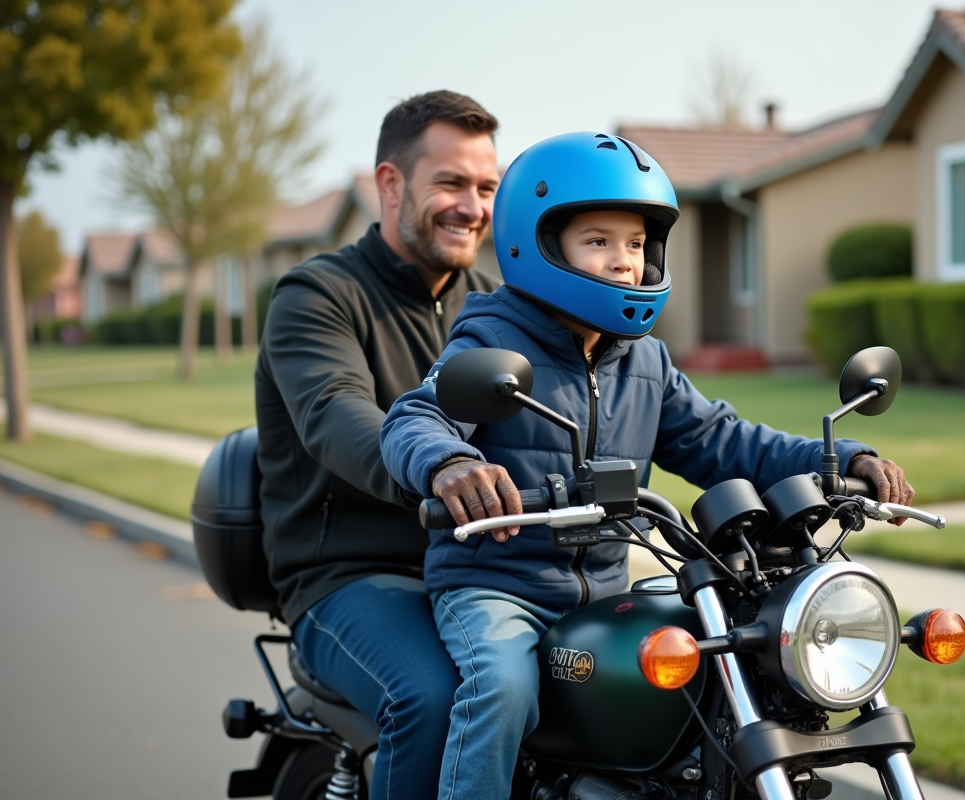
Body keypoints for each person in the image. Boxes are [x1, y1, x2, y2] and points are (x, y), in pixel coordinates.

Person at [378, 131, 915, 800]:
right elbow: (415, 418)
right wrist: (450, 463)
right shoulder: (490, 340)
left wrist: (840, 459)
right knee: (502, 687)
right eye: (597, 241)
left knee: (716, 678)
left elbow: (725, 440)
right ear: (537, 245)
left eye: (636, 244)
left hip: (606, 594)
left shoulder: (645, 361)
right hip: (497, 590)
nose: (624, 261)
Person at [255, 90, 501, 800]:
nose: (473, 207)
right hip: (347, 575)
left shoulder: (496, 304)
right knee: (430, 695)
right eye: (451, 183)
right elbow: (335, 411)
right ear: (390, 184)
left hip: (482, 571)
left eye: (487, 187)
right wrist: (438, 464)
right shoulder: (318, 295)